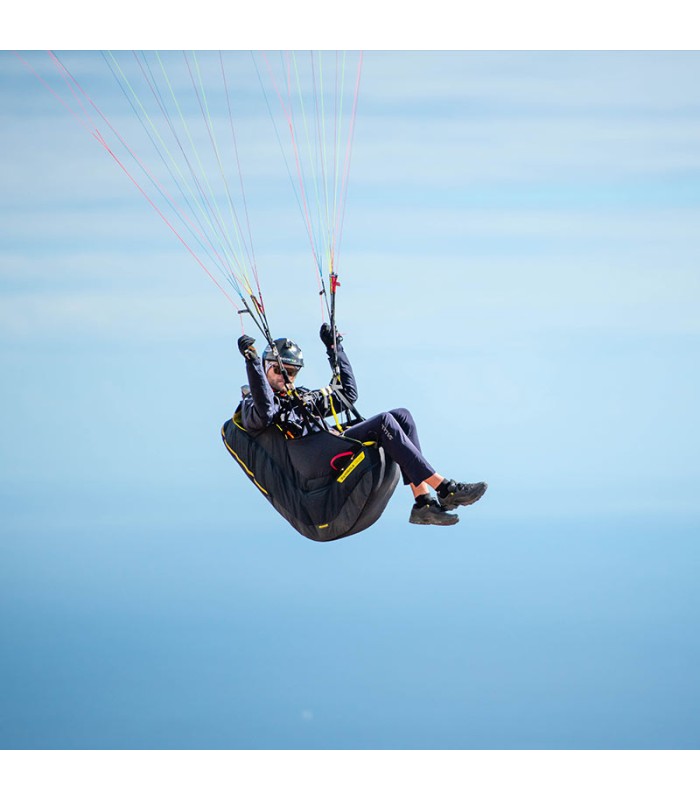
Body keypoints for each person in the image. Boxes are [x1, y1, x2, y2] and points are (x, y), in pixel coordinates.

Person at [237, 325, 487, 526]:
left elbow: (348, 394)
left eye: (291, 372)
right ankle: (445, 488)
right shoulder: (252, 404)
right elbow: (265, 412)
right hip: (309, 459)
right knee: (384, 422)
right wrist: (252, 364)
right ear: (266, 367)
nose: (285, 377)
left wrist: (335, 348)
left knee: (402, 416)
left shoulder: (301, 397)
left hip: (327, 443)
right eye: (278, 370)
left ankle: (423, 503)